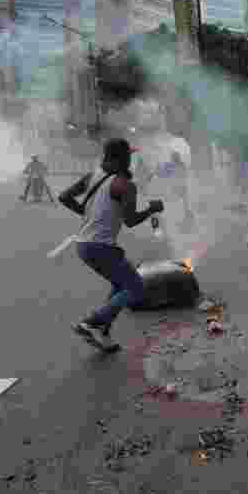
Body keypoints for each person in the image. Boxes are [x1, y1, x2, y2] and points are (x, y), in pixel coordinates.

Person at [58, 139, 163, 351]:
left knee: (120, 284)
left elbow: (64, 196)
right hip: (101, 247)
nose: (130, 161)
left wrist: (86, 214)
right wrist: (152, 209)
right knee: (136, 288)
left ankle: (102, 330)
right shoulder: (124, 185)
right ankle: (91, 323)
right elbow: (130, 220)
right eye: (128, 157)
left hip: (84, 245)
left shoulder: (92, 177)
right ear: (119, 158)